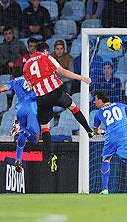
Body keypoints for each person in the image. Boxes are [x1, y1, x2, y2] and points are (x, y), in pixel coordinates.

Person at [23, 42, 93, 172]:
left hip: (41, 99)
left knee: (45, 128)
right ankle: (88, 130)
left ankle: (50, 155)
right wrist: (82, 78)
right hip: (55, 93)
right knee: (73, 107)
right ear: (45, 51)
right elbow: (62, 71)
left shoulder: (26, 65)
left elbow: (29, 86)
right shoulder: (47, 57)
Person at [92, 90, 127, 194]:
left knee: (106, 159)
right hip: (126, 135)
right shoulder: (120, 105)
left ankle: (105, 189)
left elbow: (95, 130)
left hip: (112, 136)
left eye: (95, 100)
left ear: (100, 100)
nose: (94, 102)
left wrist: (102, 132)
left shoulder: (98, 113)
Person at [0, 74, 40, 173]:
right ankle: (20, 128)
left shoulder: (14, 81)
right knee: (35, 139)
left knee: (21, 136)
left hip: (20, 109)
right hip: (32, 107)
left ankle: (18, 159)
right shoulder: (35, 77)